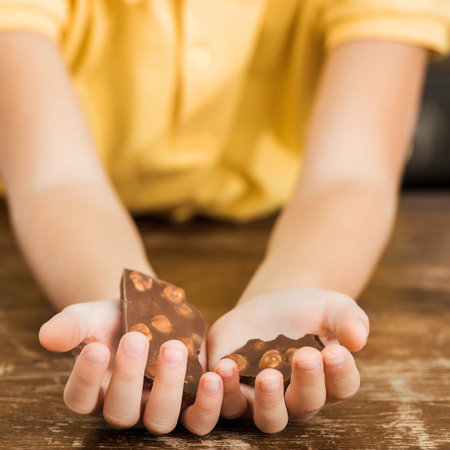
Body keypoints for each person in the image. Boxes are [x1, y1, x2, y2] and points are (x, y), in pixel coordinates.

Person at [0, 0, 448, 436]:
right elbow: (55, 181)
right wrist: (126, 308)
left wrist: (295, 286)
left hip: (287, 217)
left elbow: (350, 177)